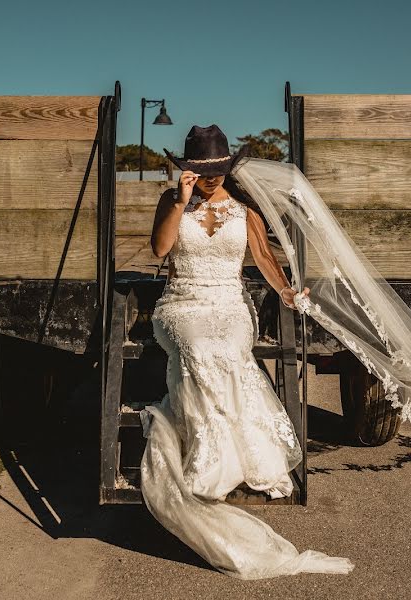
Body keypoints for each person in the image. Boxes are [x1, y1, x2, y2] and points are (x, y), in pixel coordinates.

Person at [140, 124, 356, 578]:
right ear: (187, 169)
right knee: (199, 345)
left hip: (229, 306)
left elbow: (263, 259)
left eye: (218, 168)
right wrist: (180, 203)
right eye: (202, 169)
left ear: (228, 167)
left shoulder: (244, 211)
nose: (212, 177)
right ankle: (209, 456)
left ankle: (235, 456)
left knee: (227, 345)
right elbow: (161, 248)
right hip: (182, 304)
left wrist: (287, 292)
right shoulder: (171, 201)